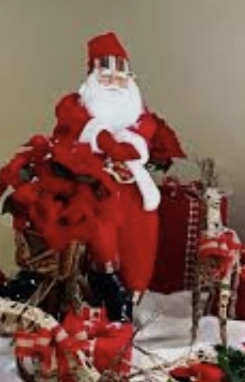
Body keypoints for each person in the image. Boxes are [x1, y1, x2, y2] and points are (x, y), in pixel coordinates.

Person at [54, 33, 184, 320]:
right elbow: (71, 131)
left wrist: (129, 145)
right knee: (101, 228)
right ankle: (110, 288)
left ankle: (133, 288)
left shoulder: (137, 110)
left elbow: (144, 130)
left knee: (143, 226)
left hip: (131, 185)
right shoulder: (75, 105)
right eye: (106, 75)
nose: (114, 82)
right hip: (93, 186)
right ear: (92, 76)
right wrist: (104, 142)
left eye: (121, 76)